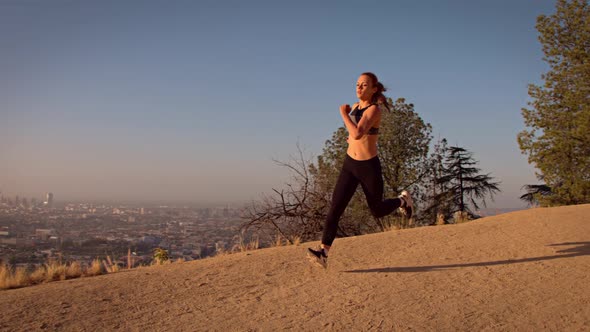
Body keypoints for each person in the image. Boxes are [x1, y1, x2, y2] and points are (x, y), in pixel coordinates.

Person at [307, 72, 413, 269]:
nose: (359, 88)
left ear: (373, 89)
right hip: (350, 164)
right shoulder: (356, 107)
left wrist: (343, 115)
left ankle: (403, 200)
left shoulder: (374, 110)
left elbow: (357, 132)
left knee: (377, 210)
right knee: (335, 208)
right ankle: (323, 253)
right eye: (357, 84)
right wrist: (350, 137)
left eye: (364, 85)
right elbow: (355, 135)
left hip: (368, 166)